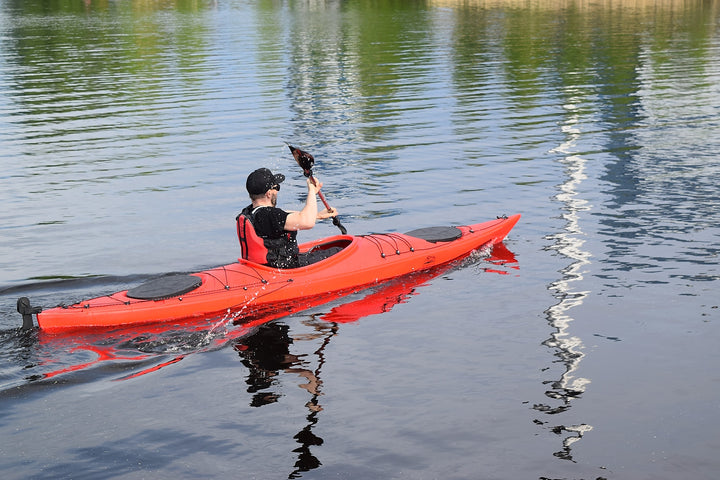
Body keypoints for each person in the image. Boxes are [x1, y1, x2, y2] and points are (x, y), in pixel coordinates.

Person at [237, 167, 341, 268]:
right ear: (269, 193)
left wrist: (317, 215)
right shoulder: (270, 216)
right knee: (338, 250)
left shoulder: (250, 212)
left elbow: (285, 216)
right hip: (283, 268)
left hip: (263, 266)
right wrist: (312, 192)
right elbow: (308, 223)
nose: (277, 191)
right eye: (276, 187)